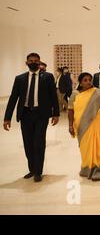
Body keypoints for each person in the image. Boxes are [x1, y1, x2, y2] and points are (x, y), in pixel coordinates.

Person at [3, 53, 59, 182]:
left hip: (41, 114)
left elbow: (53, 96)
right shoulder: (20, 79)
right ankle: (32, 169)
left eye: (36, 60)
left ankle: (38, 171)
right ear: (26, 63)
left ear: (39, 62)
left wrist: (55, 113)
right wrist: (7, 118)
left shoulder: (48, 77)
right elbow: (13, 98)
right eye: (31, 60)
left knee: (38, 142)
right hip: (25, 114)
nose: (33, 62)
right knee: (28, 143)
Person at [68, 73, 100, 181]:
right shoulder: (75, 94)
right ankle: (87, 168)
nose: (88, 82)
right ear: (80, 82)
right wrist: (70, 125)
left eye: (90, 80)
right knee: (85, 146)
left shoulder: (96, 93)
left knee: (99, 144)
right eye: (85, 80)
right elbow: (70, 110)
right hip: (81, 123)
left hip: (97, 121)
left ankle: (99, 169)